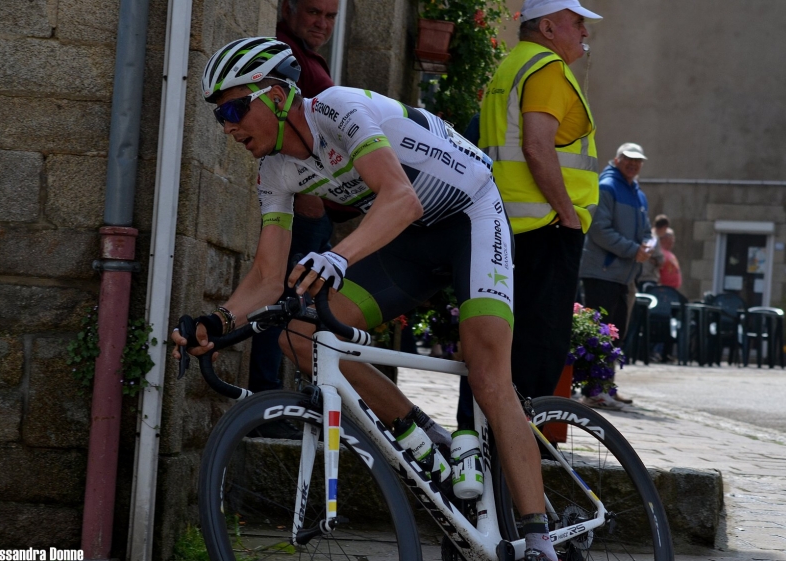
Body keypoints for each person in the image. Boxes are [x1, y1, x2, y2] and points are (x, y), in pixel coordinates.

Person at [173, 37, 559, 561]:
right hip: (411, 239)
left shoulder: (338, 107)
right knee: (299, 334)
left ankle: (539, 540)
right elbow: (268, 275)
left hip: (470, 212)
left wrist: (338, 257)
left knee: (489, 374)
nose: (228, 127)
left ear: (278, 94)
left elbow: (399, 197)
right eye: (220, 116)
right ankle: (421, 436)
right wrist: (216, 323)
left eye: (236, 108)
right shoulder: (275, 172)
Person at [480, 0, 602, 405]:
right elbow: (536, 146)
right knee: (538, 350)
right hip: (546, 229)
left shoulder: (511, 64)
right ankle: (525, 452)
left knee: (499, 350)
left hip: (507, 226)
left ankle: (482, 449)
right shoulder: (547, 67)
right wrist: (568, 215)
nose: (584, 31)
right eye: (577, 22)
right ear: (548, 28)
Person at [247, 0, 341, 436]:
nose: (322, 23)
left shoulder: (306, 56)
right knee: (284, 306)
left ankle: (287, 403)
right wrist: (307, 195)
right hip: (302, 208)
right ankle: (269, 405)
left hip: (320, 209)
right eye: (313, 13)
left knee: (298, 309)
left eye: (330, 16)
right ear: (287, 9)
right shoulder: (283, 56)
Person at [579, 142, 653, 350]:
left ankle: (605, 382)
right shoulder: (606, 187)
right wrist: (633, 250)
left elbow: (646, 230)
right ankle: (593, 383)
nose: (633, 164)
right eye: (629, 159)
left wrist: (647, 245)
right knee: (596, 337)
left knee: (615, 339)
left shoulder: (639, 195)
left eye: (638, 160)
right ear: (617, 160)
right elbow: (599, 230)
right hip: (601, 275)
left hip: (624, 277)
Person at [637, 214, 669, 293]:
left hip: (639, 276)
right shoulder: (654, 238)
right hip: (648, 277)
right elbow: (660, 260)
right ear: (664, 227)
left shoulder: (645, 235)